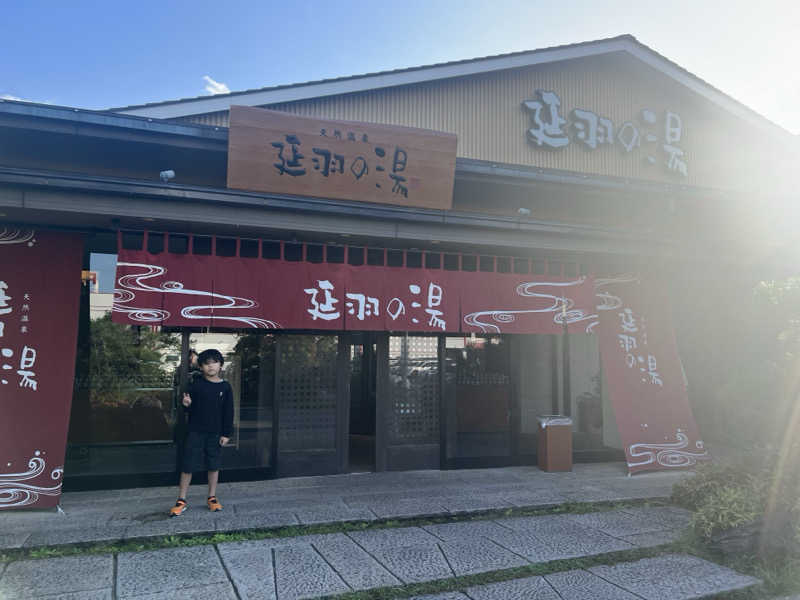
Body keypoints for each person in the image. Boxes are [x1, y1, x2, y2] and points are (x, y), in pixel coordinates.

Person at [169, 348, 233, 516]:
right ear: (201, 367)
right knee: (188, 465)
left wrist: (226, 433)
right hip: (195, 431)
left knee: (213, 464)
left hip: (215, 433)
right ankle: (181, 500)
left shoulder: (225, 387)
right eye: (207, 363)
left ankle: (212, 497)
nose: (211, 366)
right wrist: (186, 404)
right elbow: (189, 409)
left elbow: (229, 412)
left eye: (214, 362)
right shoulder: (196, 385)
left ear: (220, 365)